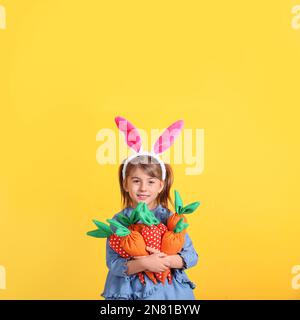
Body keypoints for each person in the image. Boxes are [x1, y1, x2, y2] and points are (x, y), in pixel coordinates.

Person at [101, 154, 199, 300]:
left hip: (169, 291)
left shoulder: (171, 219)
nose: (143, 188)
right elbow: (113, 263)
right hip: (129, 292)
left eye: (150, 182)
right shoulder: (119, 222)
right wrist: (144, 263)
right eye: (136, 181)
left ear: (161, 185)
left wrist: (166, 261)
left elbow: (191, 256)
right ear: (125, 184)